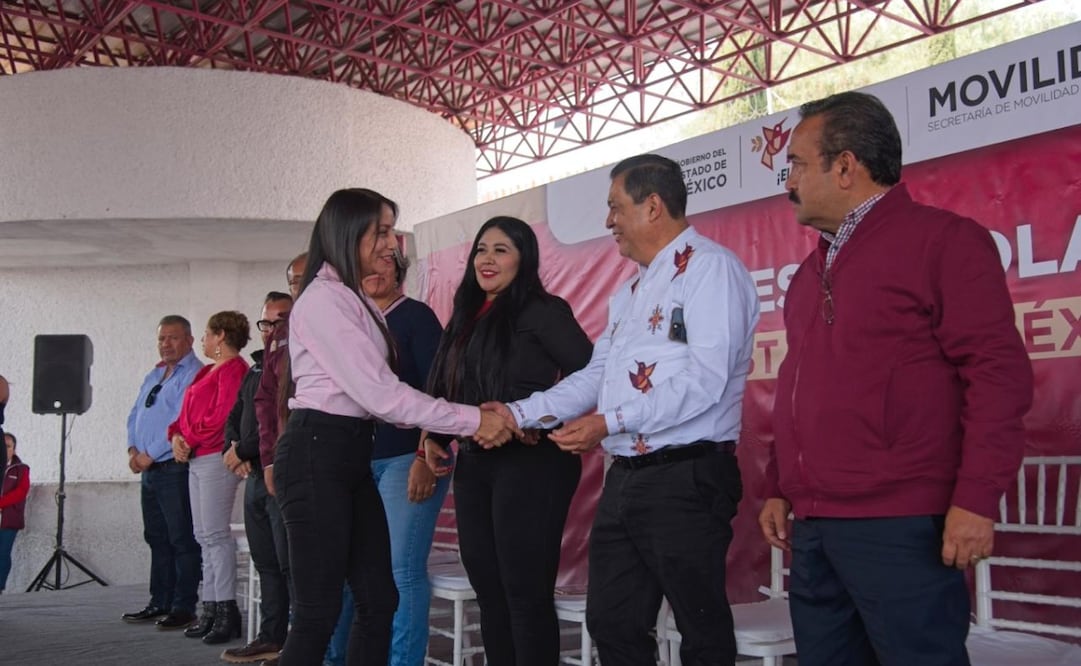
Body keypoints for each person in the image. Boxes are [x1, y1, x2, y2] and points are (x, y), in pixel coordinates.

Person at [758, 91, 1034, 666]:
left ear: (845, 165)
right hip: (814, 527)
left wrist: (977, 500)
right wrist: (780, 485)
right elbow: (799, 385)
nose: (788, 182)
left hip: (901, 526)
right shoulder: (810, 273)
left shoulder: (943, 241)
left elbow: (998, 376)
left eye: (798, 165)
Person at [487, 155, 760, 666]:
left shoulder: (710, 269)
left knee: (700, 628)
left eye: (615, 207)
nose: (608, 221)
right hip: (625, 478)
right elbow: (596, 375)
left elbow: (704, 382)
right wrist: (516, 413)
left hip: (686, 475)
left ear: (652, 206)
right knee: (612, 621)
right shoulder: (630, 291)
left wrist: (607, 423)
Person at [274, 187, 515, 665]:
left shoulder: (353, 299)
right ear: (348, 232)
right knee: (318, 613)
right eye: (381, 232)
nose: (392, 244)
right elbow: (383, 394)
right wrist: (474, 420)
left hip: (349, 453)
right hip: (316, 452)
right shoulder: (323, 300)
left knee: (379, 597)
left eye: (392, 231)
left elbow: (382, 398)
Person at [421, 216, 593, 665]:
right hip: (475, 464)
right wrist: (435, 435)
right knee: (489, 590)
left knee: (525, 593)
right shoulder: (465, 315)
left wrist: (537, 415)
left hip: (533, 465)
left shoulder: (542, 310)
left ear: (524, 258)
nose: (488, 259)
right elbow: (452, 384)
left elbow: (592, 375)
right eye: (481, 249)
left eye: (501, 249)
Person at [325, 251, 451, 666]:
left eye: (383, 265)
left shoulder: (416, 317)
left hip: (406, 457)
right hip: (358, 461)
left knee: (402, 571)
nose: (374, 274)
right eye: (365, 267)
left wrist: (423, 450)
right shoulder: (354, 322)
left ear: (398, 270)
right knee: (349, 571)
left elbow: (441, 387)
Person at [168, 311, 251, 645]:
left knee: (216, 535)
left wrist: (191, 439)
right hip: (196, 457)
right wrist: (176, 436)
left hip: (215, 457)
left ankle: (226, 609)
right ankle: (211, 606)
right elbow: (183, 414)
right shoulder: (206, 370)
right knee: (203, 535)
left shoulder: (234, 370)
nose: (202, 340)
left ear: (220, 336)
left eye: (205, 333)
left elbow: (223, 416)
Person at [221, 292, 293, 664]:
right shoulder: (255, 367)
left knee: (288, 562)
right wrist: (231, 450)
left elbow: (279, 420)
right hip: (253, 478)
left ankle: (298, 644)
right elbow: (236, 416)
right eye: (266, 322)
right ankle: (270, 637)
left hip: (279, 475)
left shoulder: (297, 362)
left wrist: (246, 451)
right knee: (265, 563)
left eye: (280, 320)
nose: (272, 329)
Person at [122, 316, 204, 629]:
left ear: (189, 340)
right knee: (156, 537)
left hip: (173, 468)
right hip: (149, 470)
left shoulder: (194, 374)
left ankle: (183, 606)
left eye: (172, 338)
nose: (165, 344)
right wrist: (132, 449)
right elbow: (135, 413)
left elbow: (181, 420)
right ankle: (159, 601)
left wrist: (149, 454)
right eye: (161, 339)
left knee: (181, 538)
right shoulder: (155, 373)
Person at [0, 432, 30, 593]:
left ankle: (0, 588)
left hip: (8, 520)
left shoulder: (21, 469)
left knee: (2, 554)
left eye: (8, 446)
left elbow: (21, 492)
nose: (4, 449)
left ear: (14, 449)